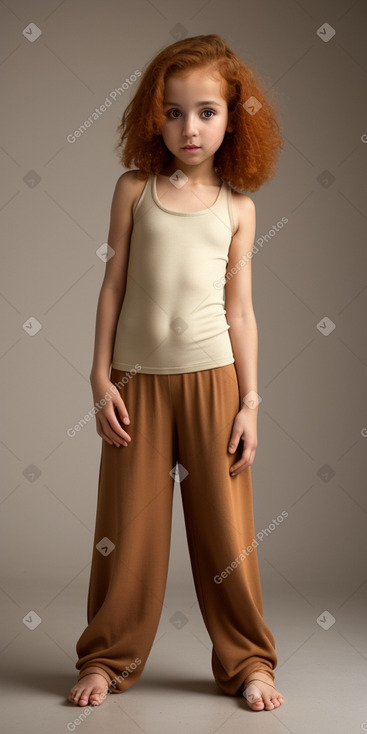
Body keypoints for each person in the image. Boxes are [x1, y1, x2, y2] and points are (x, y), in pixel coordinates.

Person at [68, 33, 284, 713]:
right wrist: (99, 380)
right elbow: (111, 287)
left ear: (233, 117)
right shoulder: (133, 189)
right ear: (151, 118)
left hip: (214, 383)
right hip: (136, 385)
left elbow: (240, 312)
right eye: (172, 112)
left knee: (226, 533)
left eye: (206, 112)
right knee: (126, 532)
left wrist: (249, 402)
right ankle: (107, 657)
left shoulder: (239, 209)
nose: (188, 128)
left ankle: (248, 662)